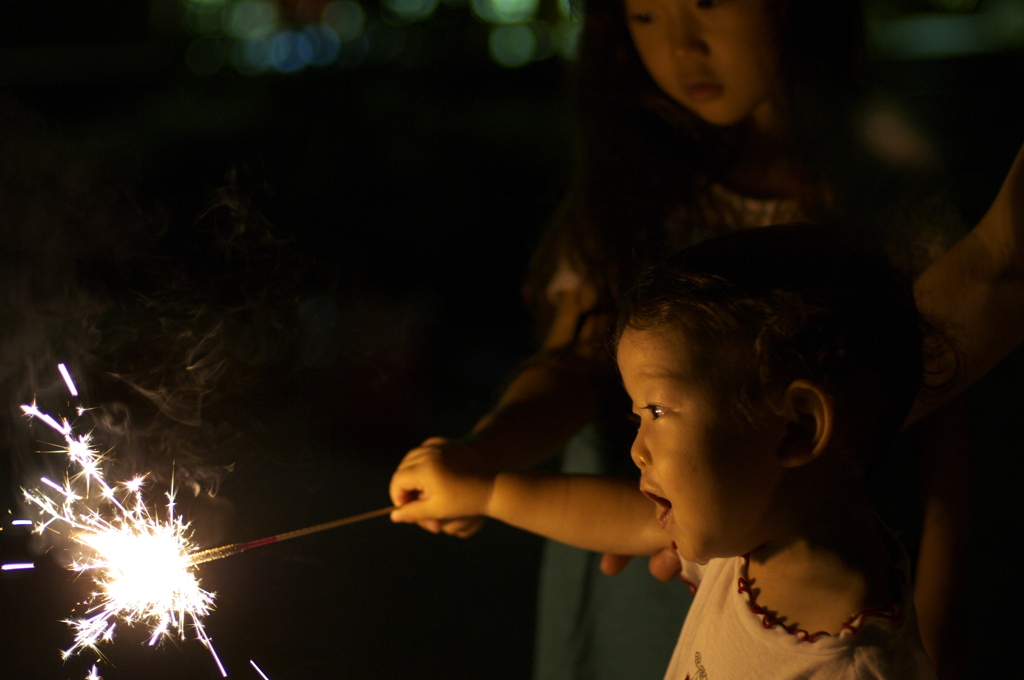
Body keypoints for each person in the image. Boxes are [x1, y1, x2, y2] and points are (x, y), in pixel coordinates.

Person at [391, 0, 1024, 677]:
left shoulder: (879, 183)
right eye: (643, 15)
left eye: (709, 2)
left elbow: (953, 381)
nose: (681, 46)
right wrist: (483, 463)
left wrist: (940, 605)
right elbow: (571, 363)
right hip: (661, 569)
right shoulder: (630, 188)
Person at [391, 224, 943, 679]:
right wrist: (483, 489)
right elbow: (623, 520)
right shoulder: (756, 534)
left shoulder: (854, 669)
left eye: (656, 412)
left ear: (796, 427)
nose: (637, 451)